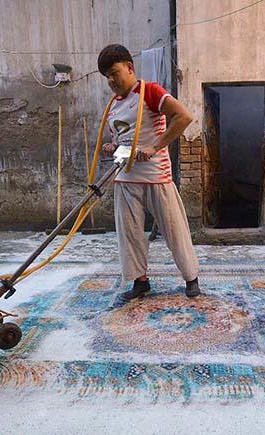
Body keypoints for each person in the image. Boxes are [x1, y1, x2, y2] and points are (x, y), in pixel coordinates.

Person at [97, 44, 201, 300]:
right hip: (125, 178)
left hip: (156, 176)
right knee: (130, 233)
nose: (111, 80)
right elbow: (120, 140)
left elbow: (183, 117)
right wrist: (112, 147)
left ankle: (191, 278)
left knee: (174, 230)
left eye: (114, 72)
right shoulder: (113, 106)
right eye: (107, 77)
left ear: (129, 67)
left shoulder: (150, 91)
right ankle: (140, 281)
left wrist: (154, 147)